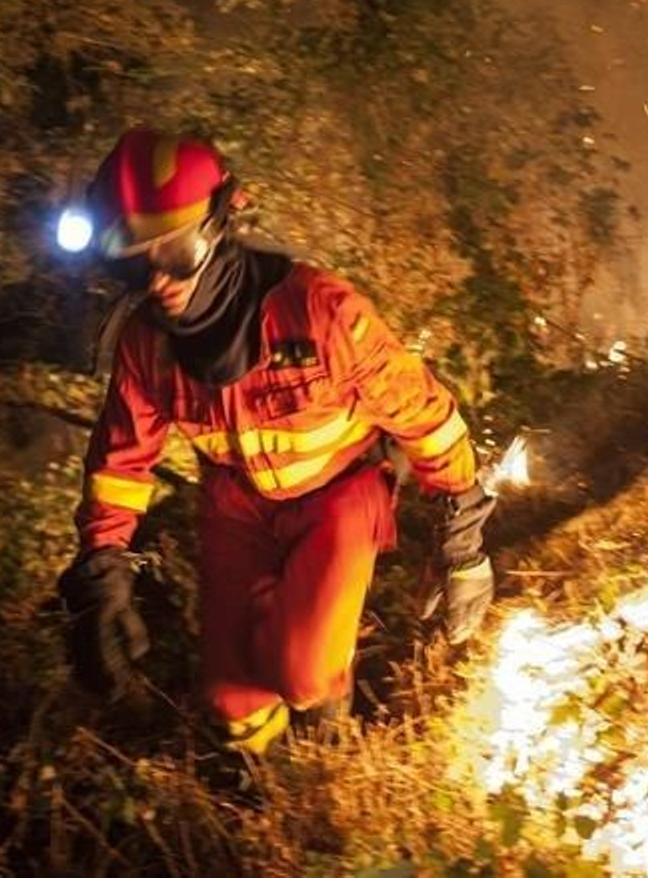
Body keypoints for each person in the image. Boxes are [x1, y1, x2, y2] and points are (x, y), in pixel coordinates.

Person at [57, 127, 497, 755]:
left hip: (339, 494)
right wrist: (101, 572)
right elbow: (122, 463)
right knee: (232, 699)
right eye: (130, 261)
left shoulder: (320, 313)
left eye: (176, 252)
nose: (156, 280)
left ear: (219, 224)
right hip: (237, 504)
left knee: (304, 673)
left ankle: (330, 724)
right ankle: (276, 785)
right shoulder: (146, 347)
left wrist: (464, 546)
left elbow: (426, 416)